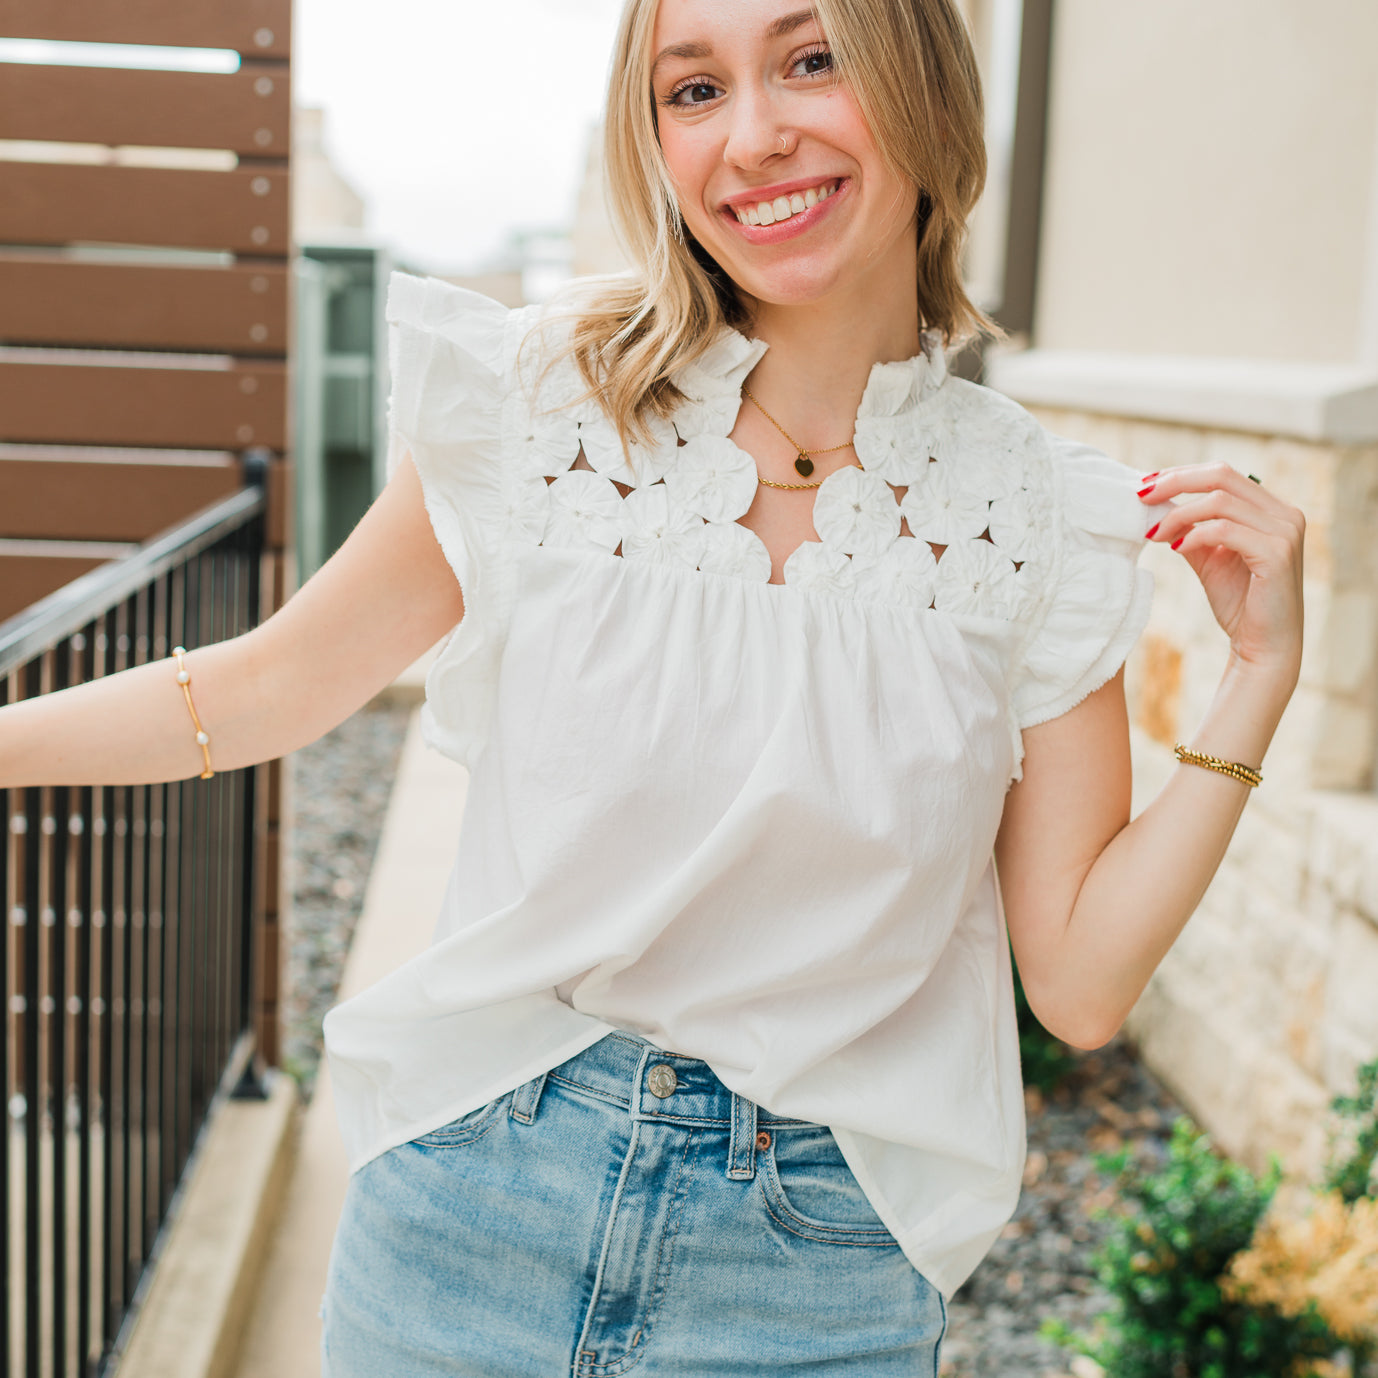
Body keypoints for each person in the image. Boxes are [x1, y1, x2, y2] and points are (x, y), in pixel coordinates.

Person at [1, 0, 1306, 1372]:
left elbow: (1081, 984)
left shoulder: (1033, 512)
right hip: (470, 1206)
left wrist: (1258, 678)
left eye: (813, 60)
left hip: (815, 1276)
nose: (752, 136)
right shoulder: (544, 407)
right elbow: (262, 687)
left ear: (922, 83)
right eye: (693, 90)